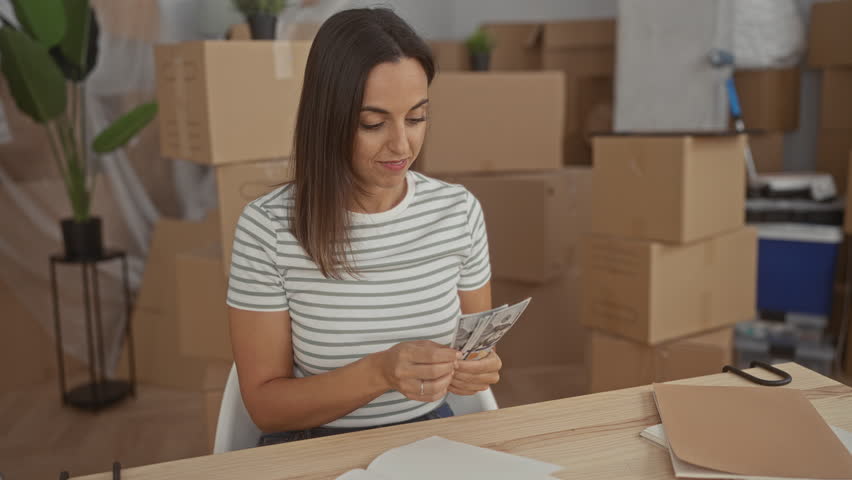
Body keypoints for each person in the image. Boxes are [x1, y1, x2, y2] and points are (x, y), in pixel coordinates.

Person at [226, 7, 502, 446]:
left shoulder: (458, 212)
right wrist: (378, 373)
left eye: (416, 118)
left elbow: (476, 350)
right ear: (329, 119)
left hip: (431, 437)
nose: (401, 144)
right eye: (372, 123)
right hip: (312, 444)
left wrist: (477, 371)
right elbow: (264, 406)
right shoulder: (268, 228)